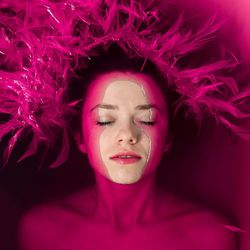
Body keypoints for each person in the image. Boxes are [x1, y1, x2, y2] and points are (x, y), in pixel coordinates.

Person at [18, 47, 237, 250]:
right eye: (105, 120)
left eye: (147, 119)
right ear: (80, 138)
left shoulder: (209, 236)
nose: (127, 136)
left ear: (168, 138)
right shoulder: (42, 232)